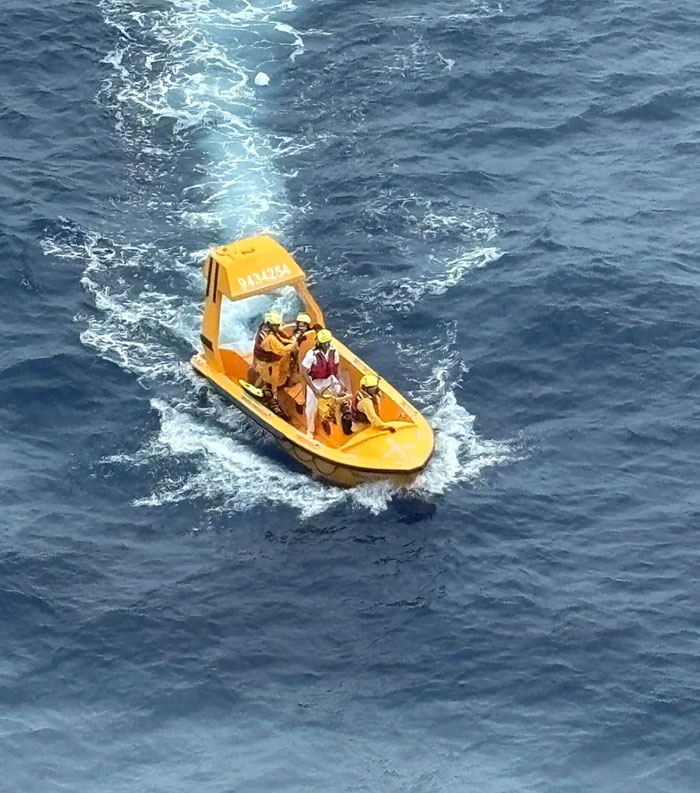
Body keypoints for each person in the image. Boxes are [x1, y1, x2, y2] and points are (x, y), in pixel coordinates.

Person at [300, 328, 344, 437]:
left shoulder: (334, 351)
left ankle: (335, 417)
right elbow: (303, 372)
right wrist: (314, 389)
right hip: (315, 381)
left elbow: (337, 368)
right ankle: (310, 429)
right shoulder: (311, 354)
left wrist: (339, 383)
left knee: (341, 395)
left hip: (329, 378)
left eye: (328, 342)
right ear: (319, 343)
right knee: (311, 405)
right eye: (325, 343)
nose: (327, 345)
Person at [253, 310, 296, 392]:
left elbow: (279, 338)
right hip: (268, 363)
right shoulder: (270, 338)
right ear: (271, 325)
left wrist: (289, 341)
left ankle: (257, 386)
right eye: (276, 325)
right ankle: (271, 393)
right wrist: (293, 344)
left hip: (261, 362)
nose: (278, 327)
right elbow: (282, 350)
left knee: (263, 377)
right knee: (273, 381)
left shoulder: (264, 330)